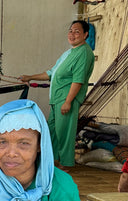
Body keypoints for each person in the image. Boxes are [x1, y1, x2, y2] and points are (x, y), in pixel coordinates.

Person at [20, 20, 94, 168]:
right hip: (56, 99)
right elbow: (51, 73)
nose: (72, 34)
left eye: (77, 31)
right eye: (71, 30)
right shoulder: (69, 52)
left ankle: (66, 164)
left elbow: (78, 80)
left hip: (67, 99)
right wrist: (30, 77)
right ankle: (53, 161)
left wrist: (68, 101)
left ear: (86, 35)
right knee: (52, 131)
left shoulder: (84, 53)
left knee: (64, 133)